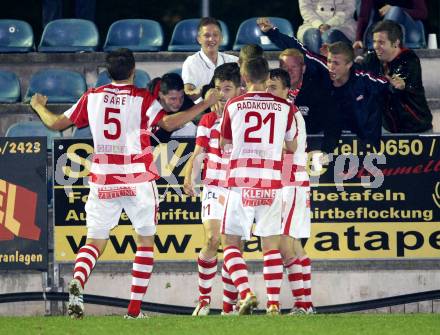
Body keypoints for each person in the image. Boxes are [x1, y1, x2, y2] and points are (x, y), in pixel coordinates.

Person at [29, 48, 219, 319]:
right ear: (133, 70)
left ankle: (78, 282)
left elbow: (57, 123)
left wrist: (38, 106)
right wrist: (202, 105)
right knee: (144, 242)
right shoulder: (142, 98)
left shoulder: (92, 97)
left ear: (108, 72)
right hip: (136, 177)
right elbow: (166, 123)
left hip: (103, 178)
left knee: (94, 241)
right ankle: (133, 311)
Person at [220, 57, 298, 315]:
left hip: (241, 181)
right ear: (267, 77)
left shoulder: (233, 104)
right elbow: (292, 146)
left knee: (230, 241)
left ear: (244, 76)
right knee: (270, 245)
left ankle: (246, 292)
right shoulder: (285, 107)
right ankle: (273, 303)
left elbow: (225, 142)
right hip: (271, 181)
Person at [257, 17, 396, 153]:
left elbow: (388, 88)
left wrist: (396, 86)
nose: (331, 67)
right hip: (331, 131)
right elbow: (299, 50)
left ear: (349, 65)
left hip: (361, 134)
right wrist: (271, 32)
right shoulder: (324, 68)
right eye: (329, 61)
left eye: (336, 63)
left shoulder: (364, 79)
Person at [183, 63, 242, 316]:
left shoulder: (246, 115)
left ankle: (229, 307)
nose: (221, 95)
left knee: (233, 246)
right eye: (217, 90)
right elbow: (199, 153)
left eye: (227, 89)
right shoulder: (208, 119)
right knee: (212, 238)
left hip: (240, 187)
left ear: (239, 89)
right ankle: (204, 300)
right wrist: (190, 177)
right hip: (214, 185)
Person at [266, 68, 314, 315]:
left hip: (291, 182)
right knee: (294, 246)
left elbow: (288, 150)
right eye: (266, 86)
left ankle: (303, 305)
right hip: (293, 182)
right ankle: (305, 305)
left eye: (273, 87)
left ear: (287, 90)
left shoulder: (288, 113)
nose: (268, 91)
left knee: (285, 245)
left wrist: (280, 182)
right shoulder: (282, 112)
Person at [359, 20, 432, 133]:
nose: (376, 46)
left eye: (381, 42)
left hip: (416, 130)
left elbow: (393, 87)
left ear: (395, 43)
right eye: (374, 41)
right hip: (388, 129)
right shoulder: (372, 58)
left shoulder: (409, 60)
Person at [182, 17, 238, 102]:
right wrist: (204, 90)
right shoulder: (191, 62)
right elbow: (188, 92)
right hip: (202, 111)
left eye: (215, 35)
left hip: (230, 111)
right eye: (207, 35)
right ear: (199, 39)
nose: (211, 39)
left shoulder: (233, 61)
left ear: (221, 38)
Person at [353, 0, 428, 50]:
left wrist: (395, 9)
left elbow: (422, 13)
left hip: (411, 35)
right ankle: (376, 41)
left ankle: (380, 41)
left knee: (394, 11)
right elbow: (364, 15)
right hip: (384, 35)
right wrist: (358, 39)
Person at [148, 73, 196, 142]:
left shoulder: (186, 103)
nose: (178, 103)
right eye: (173, 99)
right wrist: (205, 103)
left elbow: (203, 119)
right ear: (161, 95)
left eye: (181, 97)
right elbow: (168, 124)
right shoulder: (149, 104)